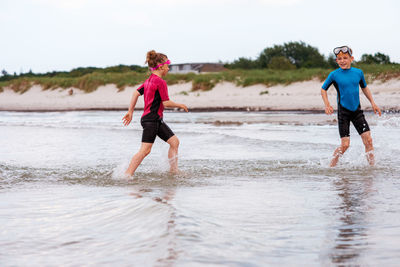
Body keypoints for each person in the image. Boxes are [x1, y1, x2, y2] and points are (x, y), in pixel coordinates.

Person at [122, 50, 188, 176]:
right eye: (168, 65)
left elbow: (136, 93)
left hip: (154, 120)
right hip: (151, 120)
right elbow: (166, 103)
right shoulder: (160, 82)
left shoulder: (149, 81)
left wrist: (130, 112)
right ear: (161, 66)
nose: (168, 68)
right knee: (145, 151)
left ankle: (173, 171)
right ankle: (127, 175)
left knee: (174, 142)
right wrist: (180, 105)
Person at [321, 46, 381, 167]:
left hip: (357, 111)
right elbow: (323, 89)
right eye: (339, 59)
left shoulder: (358, 73)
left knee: (368, 140)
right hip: (343, 112)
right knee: (345, 145)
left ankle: (372, 168)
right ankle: (331, 167)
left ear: (351, 58)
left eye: (345, 58)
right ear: (336, 61)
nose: (342, 61)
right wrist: (327, 104)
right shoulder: (334, 75)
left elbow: (364, 88)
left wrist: (373, 103)